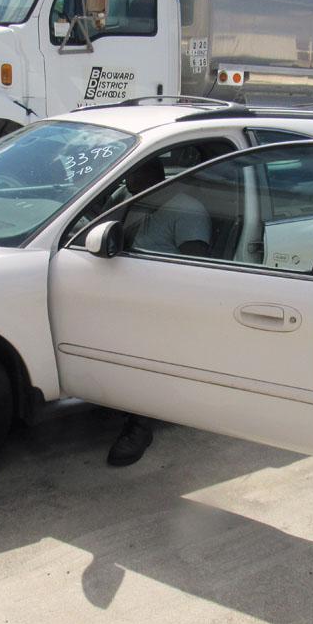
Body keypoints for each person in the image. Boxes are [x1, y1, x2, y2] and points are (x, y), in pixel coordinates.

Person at [106, 155, 211, 466]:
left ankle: (140, 424)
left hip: (163, 298)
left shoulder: (186, 209)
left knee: (143, 345)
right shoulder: (128, 196)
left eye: (132, 174)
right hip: (119, 285)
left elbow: (198, 270)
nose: (125, 182)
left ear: (152, 173)